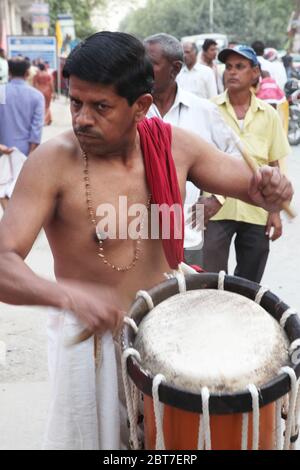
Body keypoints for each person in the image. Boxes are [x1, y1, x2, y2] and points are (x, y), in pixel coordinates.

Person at [0, 32, 293, 450]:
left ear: (141, 106)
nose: (81, 118)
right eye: (76, 101)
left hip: (167, 334)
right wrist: (66, 296)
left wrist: (273, 187)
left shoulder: (175, 147)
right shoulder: (51, 162)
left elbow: (254, 186)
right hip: (90, 345)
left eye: (100, 107)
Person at [144, 33, 238, 266]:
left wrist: (217, 198)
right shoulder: (130, 111)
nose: (142, 70)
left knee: (185, 297)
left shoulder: (204, 111)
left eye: (151, 64)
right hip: (137, 234)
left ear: (175, 69)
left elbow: (235, 156)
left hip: (187, 233)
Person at [203, 45, 290, 283]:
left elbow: (276, 165)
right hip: (217, 207)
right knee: (211, 280)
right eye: (229, 67)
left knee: (249, 284)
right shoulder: (209, 110)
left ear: (255, 73)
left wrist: (275, 211)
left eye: (240, 67)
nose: (232, 72)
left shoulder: (269, 114)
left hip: (256, 209)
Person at [0, 57, 44, 156]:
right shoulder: (36, 96)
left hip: (2, 150)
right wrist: (31, 154)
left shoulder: (1, 91)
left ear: (9, 72)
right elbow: (36, 129)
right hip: (24, 152)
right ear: (27, 74)